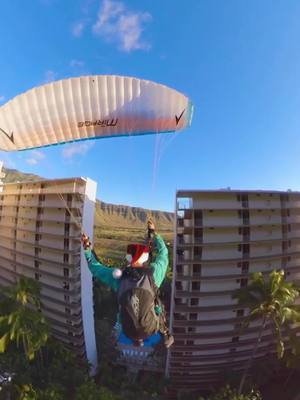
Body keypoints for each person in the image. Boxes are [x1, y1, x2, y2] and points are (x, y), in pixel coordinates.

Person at [81, 219, 174, 348]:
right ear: (145, 258)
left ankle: (116, 330)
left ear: (128, 258)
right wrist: (153, 233)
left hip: (128, 329)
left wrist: (87, 249)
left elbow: (95, 268)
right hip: (150, 327)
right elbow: (164, 253)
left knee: (122, 308)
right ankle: (165, 332)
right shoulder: (153, 274)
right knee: (158, 305)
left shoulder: (118, 277)